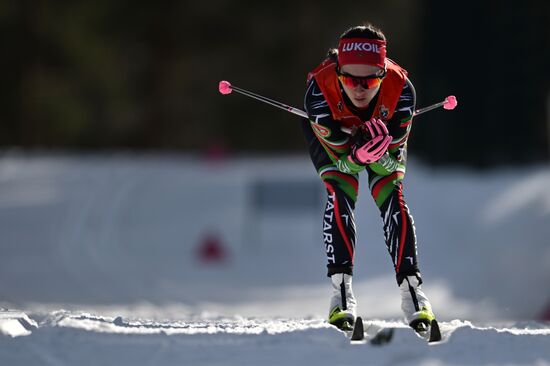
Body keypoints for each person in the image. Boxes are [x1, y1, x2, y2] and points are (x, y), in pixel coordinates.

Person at [302, 23, 436, 332]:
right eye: (350, 79)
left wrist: (379, 153)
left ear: (384, 75)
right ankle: (341, 294)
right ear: (338, 72)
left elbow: (390, 164)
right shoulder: (318, 92)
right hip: (336, 144)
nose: (359, 88)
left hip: (383, 145)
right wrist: (356, 156)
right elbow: (342, 161)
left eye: (371, 79)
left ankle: (413, 291)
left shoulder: (402, 91)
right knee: (340, 192)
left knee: (392, 196)